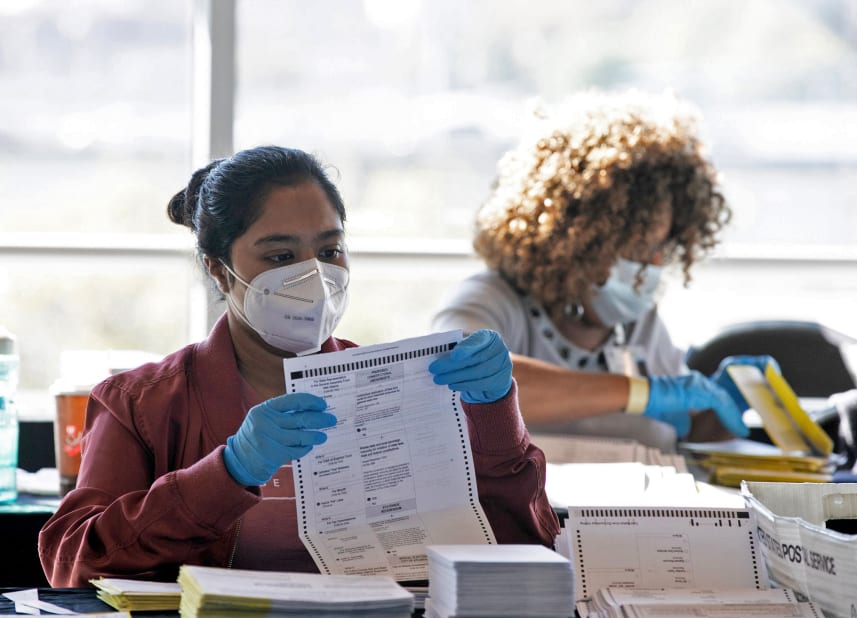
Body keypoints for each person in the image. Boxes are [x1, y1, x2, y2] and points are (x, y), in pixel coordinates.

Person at [38, 145, 560, 588]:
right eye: (280, 257)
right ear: (219, 272)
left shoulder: (401, 389)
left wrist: (495, 417)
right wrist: (225, 473)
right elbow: (71, 562)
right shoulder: (141, 403)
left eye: (330, 250)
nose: (314, 276)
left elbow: (525, 549)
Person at [431, 89, 775, 455]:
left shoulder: (638, 324)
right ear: (577, 237)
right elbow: (454, 379)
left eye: (661, 248)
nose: (655, 265)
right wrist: (639, 393)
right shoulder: (491, 300)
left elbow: (681, 432)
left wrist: (720, 412)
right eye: (639, 248)